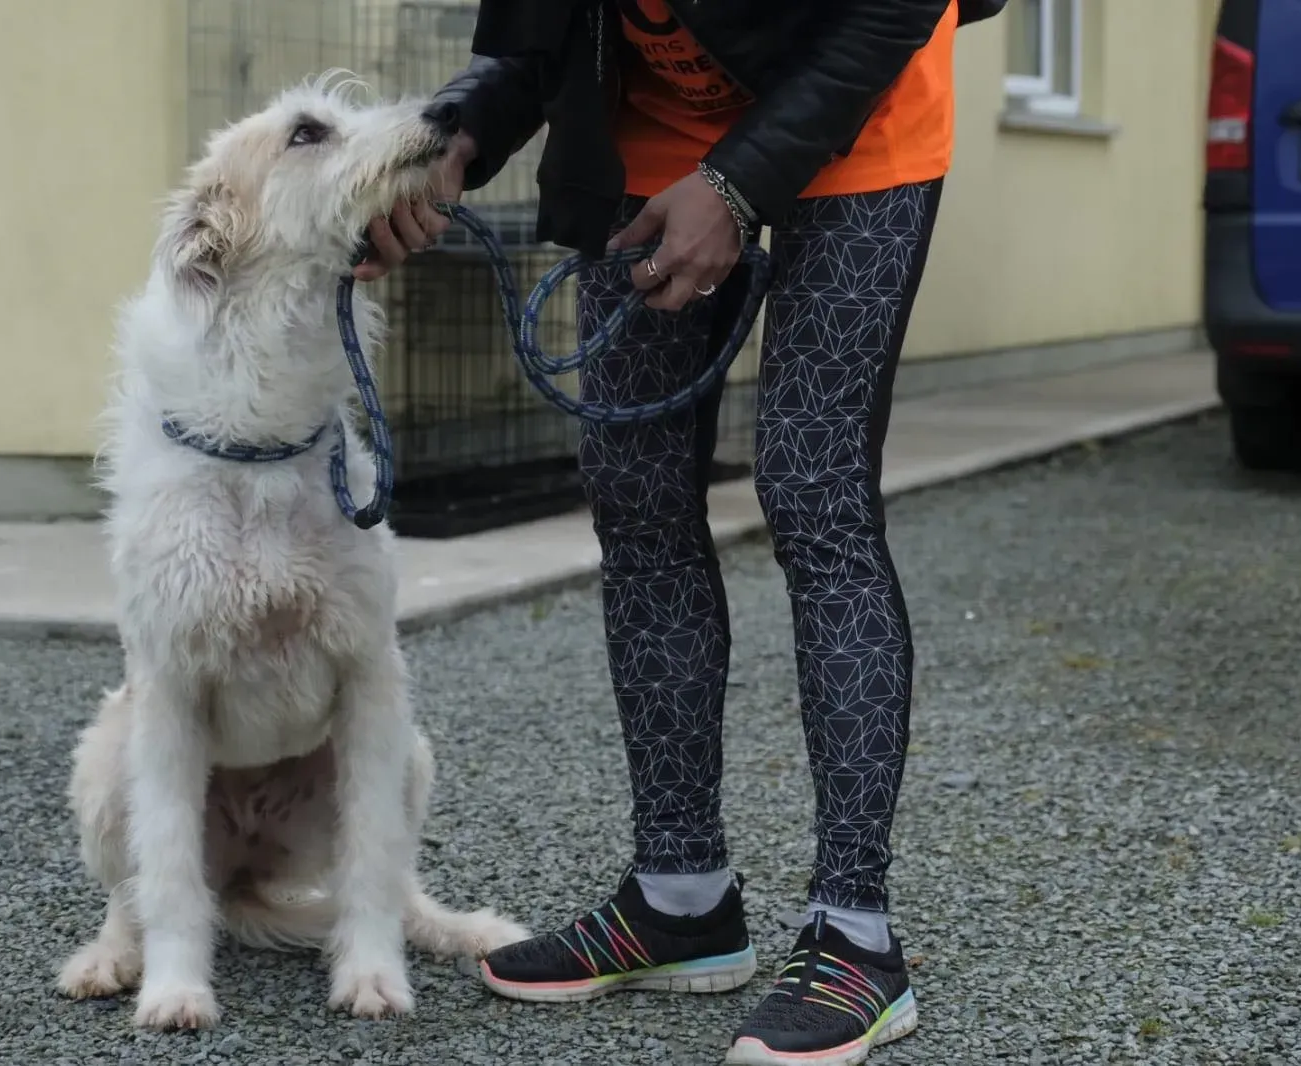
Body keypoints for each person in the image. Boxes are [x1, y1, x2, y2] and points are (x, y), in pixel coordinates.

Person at [355, 0, 958, 1061]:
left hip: (864, 102)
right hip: (654, 126)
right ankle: (681, 899)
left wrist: (734, 187)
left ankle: (856, 936)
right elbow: (533, 38)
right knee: (634, 501)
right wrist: (448, 137)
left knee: (812, 492)